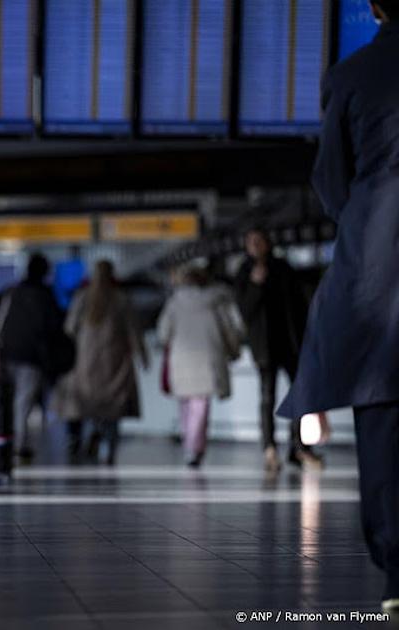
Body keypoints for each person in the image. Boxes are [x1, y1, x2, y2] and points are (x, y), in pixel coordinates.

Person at [277, 0, 399, 612]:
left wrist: (364, 217)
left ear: (375, 8)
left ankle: (397, 571)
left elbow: (330, 179)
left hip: (377, 269)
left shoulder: (350, 76)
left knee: (384, 416)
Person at [234, 227, 321, 472]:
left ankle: (299, 447)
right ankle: (269, 448)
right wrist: (255, 285)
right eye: (251, 241)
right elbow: (244, 311)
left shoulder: (283, 268)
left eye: (259, 241)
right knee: (267, 397)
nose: (256, 246)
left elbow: (299, 304)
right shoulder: (244, 272)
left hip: (290, 342)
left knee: (300, 394)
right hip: (264, 345)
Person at [51, 260, 146, 465]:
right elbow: (133, 330)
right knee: (112, 406)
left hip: (84, 361)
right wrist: (143, 355)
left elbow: (69, 328)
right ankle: (108, 444)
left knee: (79, 404)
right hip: (114, 361)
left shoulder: (82, 298)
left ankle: (75, 441)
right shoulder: (121, 299)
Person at [156, 267, 243, 467]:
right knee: (200, 406)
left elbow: (163, 333)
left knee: (185, 406)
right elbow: (229, 330)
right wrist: (234, 352)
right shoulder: (216, 303)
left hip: (181, 360)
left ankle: (190, 445)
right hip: (208, 360)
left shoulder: (174, 303)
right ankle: (195, 447)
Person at [0, 253, 64, 460]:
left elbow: (0, 322)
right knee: (22, 402)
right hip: (31, 356)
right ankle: (17, 445)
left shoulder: (13, 292)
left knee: (8, 401)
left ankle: (5, 443)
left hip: (7, 352)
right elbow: (53, 326)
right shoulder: (45, 295)